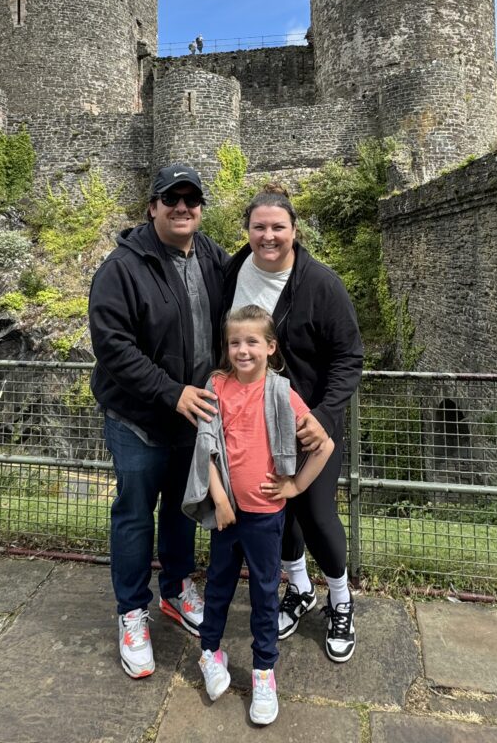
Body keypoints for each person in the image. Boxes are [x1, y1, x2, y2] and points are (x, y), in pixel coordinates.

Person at [88, 163, 228, 679]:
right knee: (133, 513)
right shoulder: (121, 269)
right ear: (152, 207)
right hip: (139, 418)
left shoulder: (212, 257)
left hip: (192, 419)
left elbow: (250, 299)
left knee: (181, 508)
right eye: (172, 198)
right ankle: (131, 611)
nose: (182, 207)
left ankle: (174, 589)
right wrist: (172, 393)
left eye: (191, 199)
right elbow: (113, 349)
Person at [223, 186, 364, 662]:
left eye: (277, 227)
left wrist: (324, 418)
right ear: (247, 231)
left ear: (293, 231)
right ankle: (300, 589)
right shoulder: (232, 272)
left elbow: (349, 357)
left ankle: (341, 600)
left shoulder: (321, 284)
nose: (268, 236)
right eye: (259, 227)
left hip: (310, 423)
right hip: (254, 422)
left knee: (317, 515)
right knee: (274, 509)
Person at [182, 305, 334, 725]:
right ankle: (210, 653)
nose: (242, 350)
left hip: (267, 515)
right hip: (228, 514)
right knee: (218, 588)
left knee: (266, 595)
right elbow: (207, 448)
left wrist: (296, 486)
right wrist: (221, 500)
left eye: (252, 342)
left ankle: (264, 672)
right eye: (235, 343)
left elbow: (324, 446)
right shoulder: (216, 385)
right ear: (226, 348)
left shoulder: (282, 393)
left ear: (270, 347)